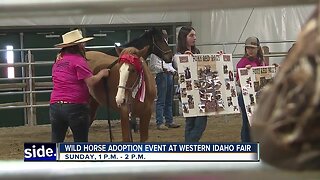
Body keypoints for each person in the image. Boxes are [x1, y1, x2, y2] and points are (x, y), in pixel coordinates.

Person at [50, 29, 110, 142]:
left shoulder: (58, 62)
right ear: (77, 46)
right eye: (82, 43)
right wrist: (102, 74)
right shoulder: (78, 61)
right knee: (80, 142)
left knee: (56, 140)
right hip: (75, 106)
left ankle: (54, 158)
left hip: (55, 105)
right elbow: (90, 82)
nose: (84, 45)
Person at [175, 26, 207, 142]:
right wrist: (186, 59)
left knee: (198, 122)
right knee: (192, 121)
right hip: (186, 92)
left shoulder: (197, 52)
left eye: (195, 35)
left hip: (199, 91)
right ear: (184, 38)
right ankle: (191, 146)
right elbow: (178, 68)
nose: (195, 38)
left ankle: (189, 146)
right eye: (191, 35)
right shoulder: (178, 55)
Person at [236, 36, 266, 142]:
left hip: (258, 95)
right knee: (247, 122)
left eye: (253, 48)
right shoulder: (242, 62)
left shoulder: (261, 61)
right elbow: (239, 82)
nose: (250, 50)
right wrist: (246, 73)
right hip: (245, 96)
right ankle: (246, 145)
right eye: (248, 48)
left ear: (258, 48)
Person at [150, 30, 181, 130]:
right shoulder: (156, 51)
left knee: (168, 100)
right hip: (162, 74)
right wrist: (166, 69)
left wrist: (172, 70)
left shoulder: (166, 50)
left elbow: (169, 63)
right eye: (164, 37)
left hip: (168, 75)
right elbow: (154, 65)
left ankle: (169, 121)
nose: (166, 38)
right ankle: (160, 122)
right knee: (162, 100)